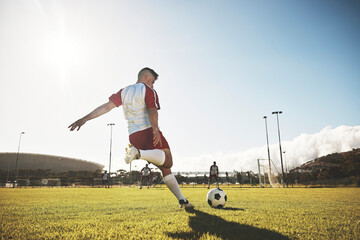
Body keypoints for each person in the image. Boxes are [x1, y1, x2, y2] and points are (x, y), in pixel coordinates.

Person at [69, 67, 193, 208]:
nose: (152, 85)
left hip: (133, 136)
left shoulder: (124, 91)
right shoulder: (148, 90)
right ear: (146, 77)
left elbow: (107, 107)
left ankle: (182, 201)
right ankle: (138, 153)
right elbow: (152, 110)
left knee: (165, 169)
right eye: (152, 81)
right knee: (168, 161)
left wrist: (85, 118)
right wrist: (155, 129)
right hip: (147, 131)